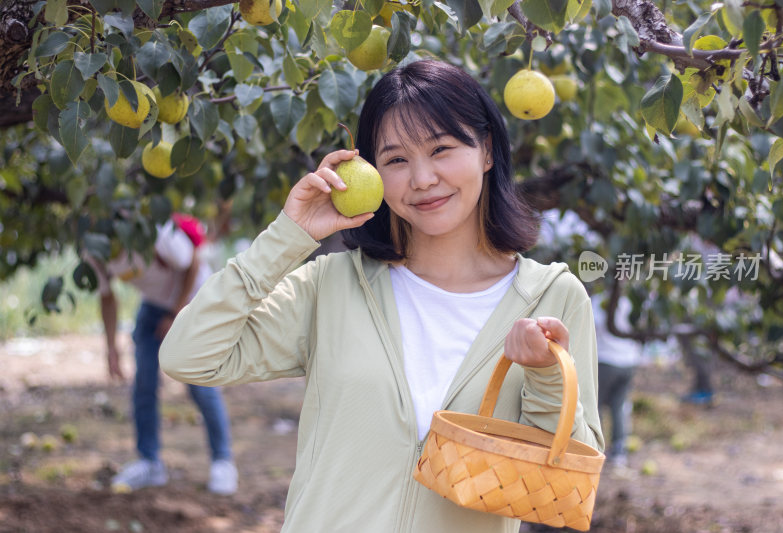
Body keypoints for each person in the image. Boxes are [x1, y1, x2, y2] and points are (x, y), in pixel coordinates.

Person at [159, 60, 602, 532]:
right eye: (395, 160)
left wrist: (544, 376)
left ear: (487, 151)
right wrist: (289, 236)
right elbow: (189, 356)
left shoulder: (551, 297)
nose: (423, 178)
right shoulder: (332, 287)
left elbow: (567, 468)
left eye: (442, 149)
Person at [90, 214, 238, 495]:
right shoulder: (94, 248)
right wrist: (111, 349)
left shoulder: (152, 231)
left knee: (200, 385)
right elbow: (107, 295)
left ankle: (222, 461)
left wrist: (175, 314)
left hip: (193, 300)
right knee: (144, 383)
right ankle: (150, 462)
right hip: (154, 307)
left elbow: (193, 263)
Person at [591, 291, 642, 468]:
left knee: (595, 406)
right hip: (628, 361)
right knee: (619, 406)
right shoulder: (634, 302)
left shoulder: (599, 301)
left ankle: (595, 449)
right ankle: (619, 452)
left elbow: (591, 326)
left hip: (606, 360)